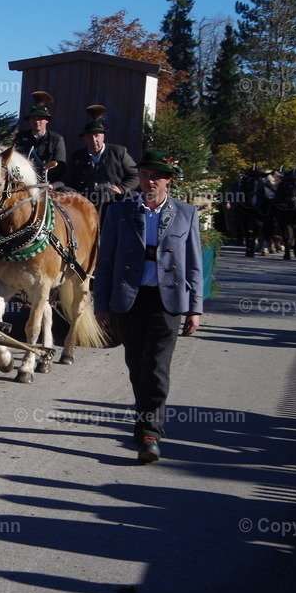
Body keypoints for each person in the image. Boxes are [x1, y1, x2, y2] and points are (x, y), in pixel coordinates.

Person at [94, 148, 204, 464]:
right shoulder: (119, 212)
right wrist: (101, 304)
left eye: (156, 176)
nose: (149, 181)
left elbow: (194, 264)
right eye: (144, 175)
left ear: (168, 180)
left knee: (156, 368)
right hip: (128, 299)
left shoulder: (186, 213)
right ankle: (145, 422)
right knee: (137, 366)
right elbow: (105, 262)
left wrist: (195, 307)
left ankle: (149, 434)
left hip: (166, 301)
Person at [55, 105, 138, 214]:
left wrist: (121, 188)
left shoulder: (118, 152)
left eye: (97, 136)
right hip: (84, 198)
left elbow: (136, 176)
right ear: (84, 139)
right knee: (63, 192)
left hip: (111, 199)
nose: (94, 140)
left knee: (106, 193)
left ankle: (99, 224)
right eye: (90, 137)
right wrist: (53, 186)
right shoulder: (77, 157)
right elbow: (67, 179)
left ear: (103, 137)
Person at [13, 91, 66, 183]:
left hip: (48, 183)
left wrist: (46, 182)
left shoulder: (56, 139)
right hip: (24, 182)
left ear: (47, 120)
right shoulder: (20, 138)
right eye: (34, 118)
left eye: (40, 118)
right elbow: (14, 160)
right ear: (29, 120)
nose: (37, 121)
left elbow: (60, 167)